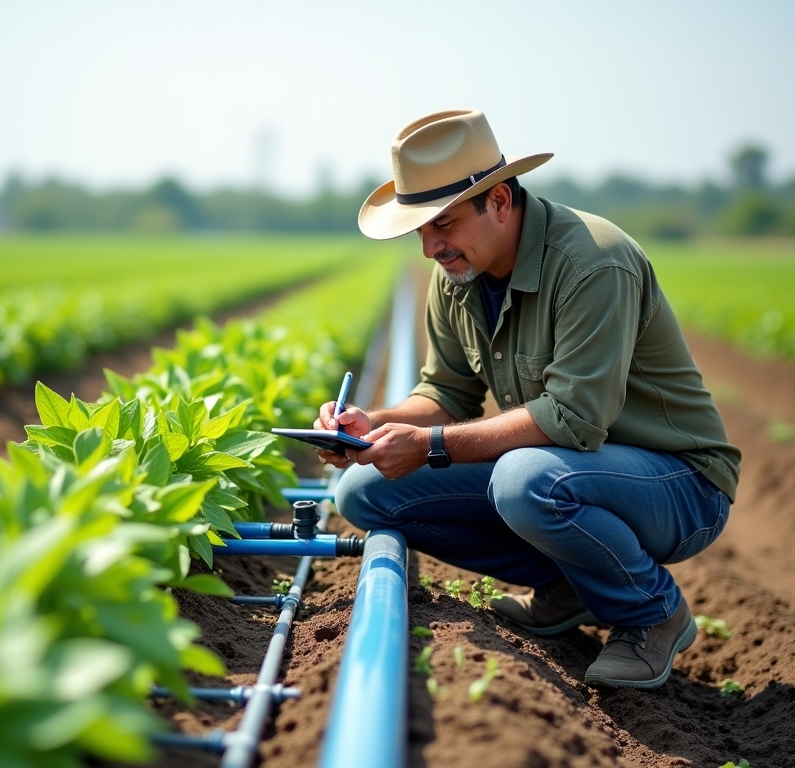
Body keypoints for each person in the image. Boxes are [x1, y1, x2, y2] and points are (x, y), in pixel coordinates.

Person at [316, 109, 741, 690]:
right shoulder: (457, 276)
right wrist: (375, 424)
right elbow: (445, 391)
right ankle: (573, 585)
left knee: (525, 481)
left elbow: (573, 419)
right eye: (420, 229)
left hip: (679, 484)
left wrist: (432, 446)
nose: (430, 247)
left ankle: (652, 612)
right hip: (572, 472)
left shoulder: (593, 261)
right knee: (364, 493)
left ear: (498, 200)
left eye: (443, 222)